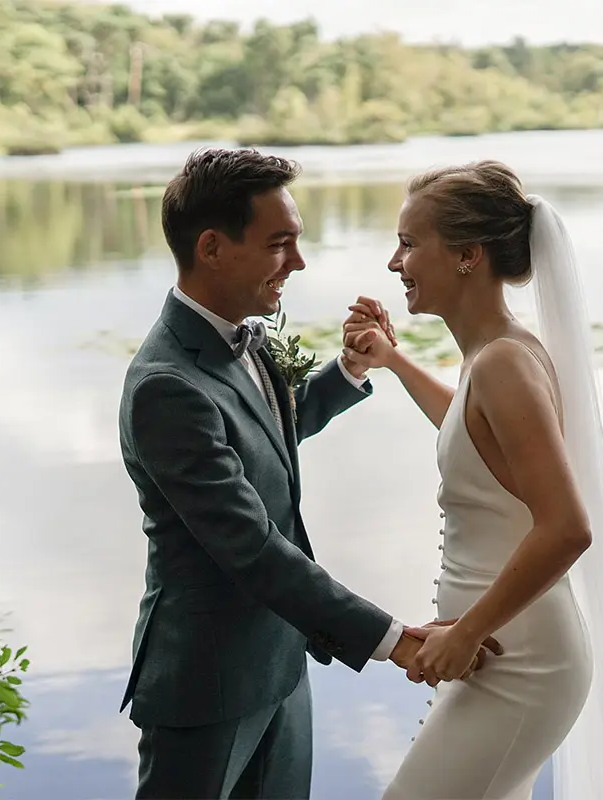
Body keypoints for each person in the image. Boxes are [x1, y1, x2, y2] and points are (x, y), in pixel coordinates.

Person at [116, 148, 499, 800]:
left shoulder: (245, 335)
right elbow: (253, 549)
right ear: (212, 247)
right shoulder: (165, 387)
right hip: (206, 685)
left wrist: (351, 370)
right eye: (279, 244)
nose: (297, 262)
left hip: (282, 666)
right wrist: (394, 640)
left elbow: (271, 434)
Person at [342, 161, 603, 800]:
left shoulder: (505, 361)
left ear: (468, 256)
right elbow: (470, 430)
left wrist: (469, 630)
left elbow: (568, 528)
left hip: (523, 664)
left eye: (409, 243)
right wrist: (392, 361)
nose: (395, 264)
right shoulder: (492, 357)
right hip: (498, 652)